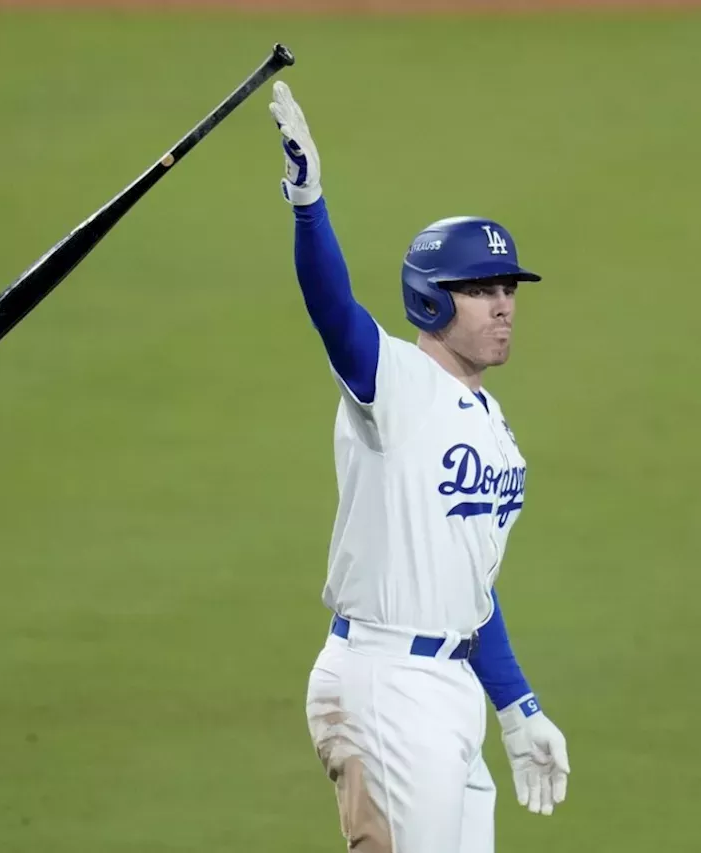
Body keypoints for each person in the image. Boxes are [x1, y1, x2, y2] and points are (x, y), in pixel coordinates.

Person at [269, 81, 569, 853]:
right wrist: (310, 206)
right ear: (432, 301)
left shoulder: (493, 427)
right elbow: (333, 311)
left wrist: (517, 705)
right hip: (385, 684)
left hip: (451, 687)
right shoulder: (394, 385)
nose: (503, 305)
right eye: (479, 291)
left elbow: (470, 583)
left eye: (508, 289)